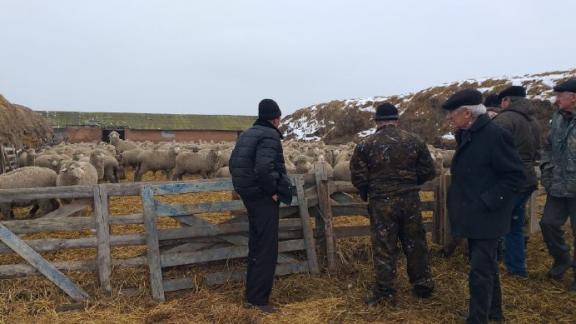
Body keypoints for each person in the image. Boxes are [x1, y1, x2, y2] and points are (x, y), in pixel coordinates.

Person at [443, 89, 524, 324]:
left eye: (452, 114)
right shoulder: (468, 134)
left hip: (487, 216)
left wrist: (488, 201)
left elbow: (514, 176)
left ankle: (478, 319)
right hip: (475, 215)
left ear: (467, 113)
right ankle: (494, 314)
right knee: (486, 267)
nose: (449, 118)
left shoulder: (495, 135)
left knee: (480, 272)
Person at [350, 103, 436, 306]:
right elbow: (428, 171)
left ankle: (385, 291)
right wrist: (410, 183)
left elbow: (358, 177)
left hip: (382, 203)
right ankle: (422, 284)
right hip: (410, 201)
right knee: (415, 242)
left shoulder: (365, 145)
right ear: (396, 120)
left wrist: (368, 193)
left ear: (377, 122)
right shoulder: (414, 141)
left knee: (384, 246)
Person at [228, 98, 293, 313]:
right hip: (262, 198)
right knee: (266, 248)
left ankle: (252, 295)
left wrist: (245, 190)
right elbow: (265, 168)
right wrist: (273, 191)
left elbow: (234, 164)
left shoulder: (247, 134)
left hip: (249, 196)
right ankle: (259, 301)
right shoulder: (270, 135)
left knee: (256, 244)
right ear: (275, 118)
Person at [493, 85, 541, 278]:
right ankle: (517, 268)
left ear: (507, 101)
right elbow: (537, 151)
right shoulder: (534, 122)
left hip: (508, 180)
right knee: (515, 224)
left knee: (496, 222)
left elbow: (492, 149)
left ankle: (492, 263)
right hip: (527, 179)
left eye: (502, 101)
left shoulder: (504, 119)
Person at [539, 79, 576, 291]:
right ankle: (562, 258)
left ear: (573, 97)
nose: (556, 100)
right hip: (558, 187)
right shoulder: (558, 118)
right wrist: (547, 170)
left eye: (560, 96)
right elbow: (548, 147)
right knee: (548, 224)